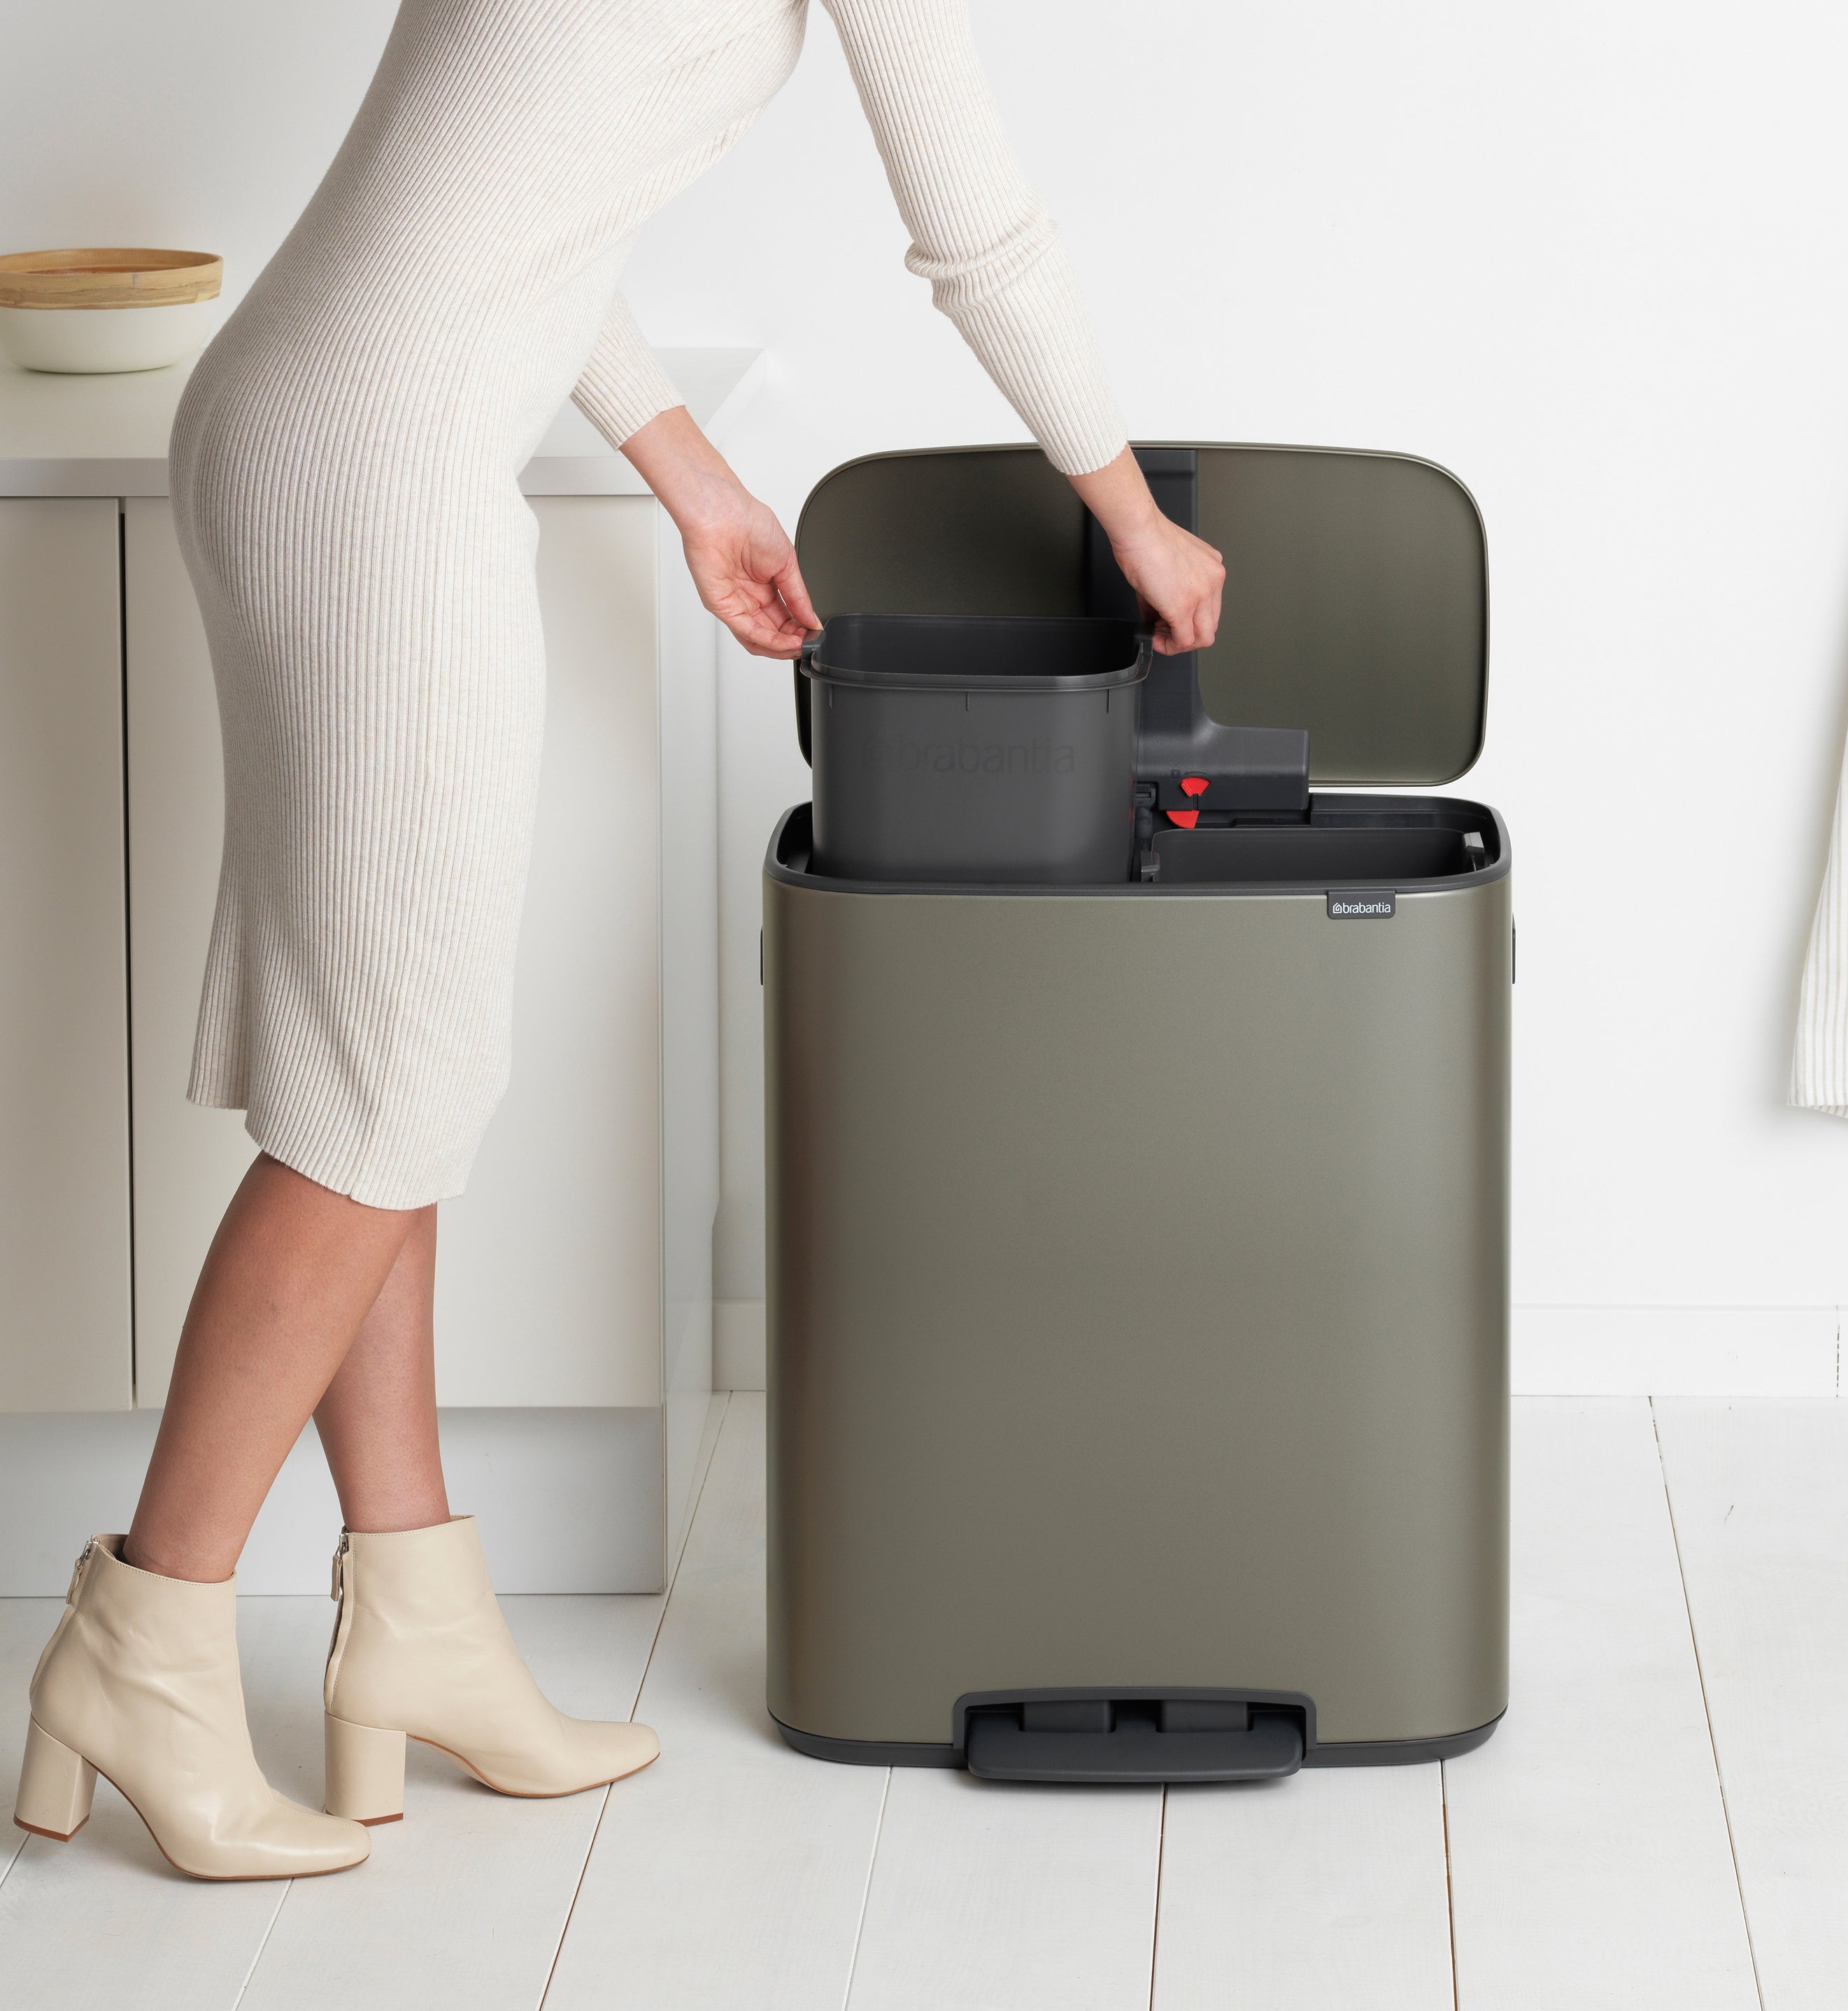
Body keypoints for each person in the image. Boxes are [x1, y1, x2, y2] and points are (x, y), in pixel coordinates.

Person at [12, 0, 1224, 1880]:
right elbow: (977, 229)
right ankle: (144, 1642)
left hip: (299, 424)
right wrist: (1133, 515)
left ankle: (417, 1622)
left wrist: (693, 475)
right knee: (381, 1095)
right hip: (382, 472)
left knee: (386, 1067)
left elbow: (506, 205)